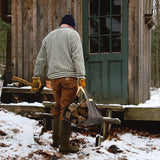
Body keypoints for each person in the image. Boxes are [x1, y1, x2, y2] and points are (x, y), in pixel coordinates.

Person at [31, 14, 85, 153]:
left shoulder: (49, 37)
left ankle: (56, 140)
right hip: (69, 78)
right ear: (72, 25)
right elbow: (77, 56)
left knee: (58, 107)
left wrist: (36, 76)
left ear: (62, 24)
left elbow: (41, 58)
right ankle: (65, 145)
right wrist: (81, 77)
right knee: (66, 109)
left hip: (54, 79)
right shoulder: (73, 35)